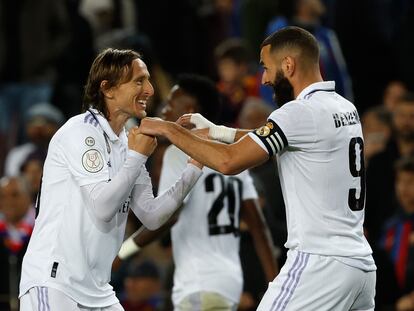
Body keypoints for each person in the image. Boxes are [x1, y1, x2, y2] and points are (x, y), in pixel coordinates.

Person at [138, 26, 377, 310]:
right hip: (360, 267)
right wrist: (218, 132)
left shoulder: (297, 113)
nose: (263, 79)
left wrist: (169, 130)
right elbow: (277, 137)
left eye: (266, 68)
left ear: (288, 65)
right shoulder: (344, 108)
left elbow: (229, 162)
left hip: (319, 264)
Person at [18, 48, 203, 311]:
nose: (150, 89)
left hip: (99, 291)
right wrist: (137, 156)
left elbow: (150, 215)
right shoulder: (81, 132)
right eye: (139, 81)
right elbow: (103, 207)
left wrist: (194, 168)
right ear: (108, 89)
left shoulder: (126, 144)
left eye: (148, 80)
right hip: (55, 284)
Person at [117, 74, 278, 310]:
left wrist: (123, 252)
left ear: (189, 110)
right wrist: (275, 284)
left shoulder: (177, 152)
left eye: (172, 103)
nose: (164, 108)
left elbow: (168, 214)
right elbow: (258, 226)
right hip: (229, 283)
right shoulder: (235, 153)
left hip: (197, 282)